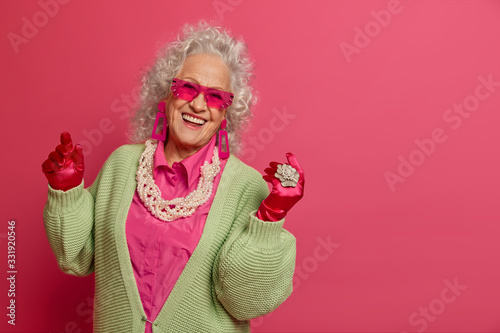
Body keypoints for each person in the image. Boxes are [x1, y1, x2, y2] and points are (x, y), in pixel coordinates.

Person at [41, 21, 304, 333]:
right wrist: (67, 191)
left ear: (226, 113)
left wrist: (270, 218)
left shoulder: (247, 187)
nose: (198, 104)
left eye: (215, 96)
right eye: (188, 88)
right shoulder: (122, 165)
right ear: (166, 94)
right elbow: (77, 257)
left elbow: (244, 302)